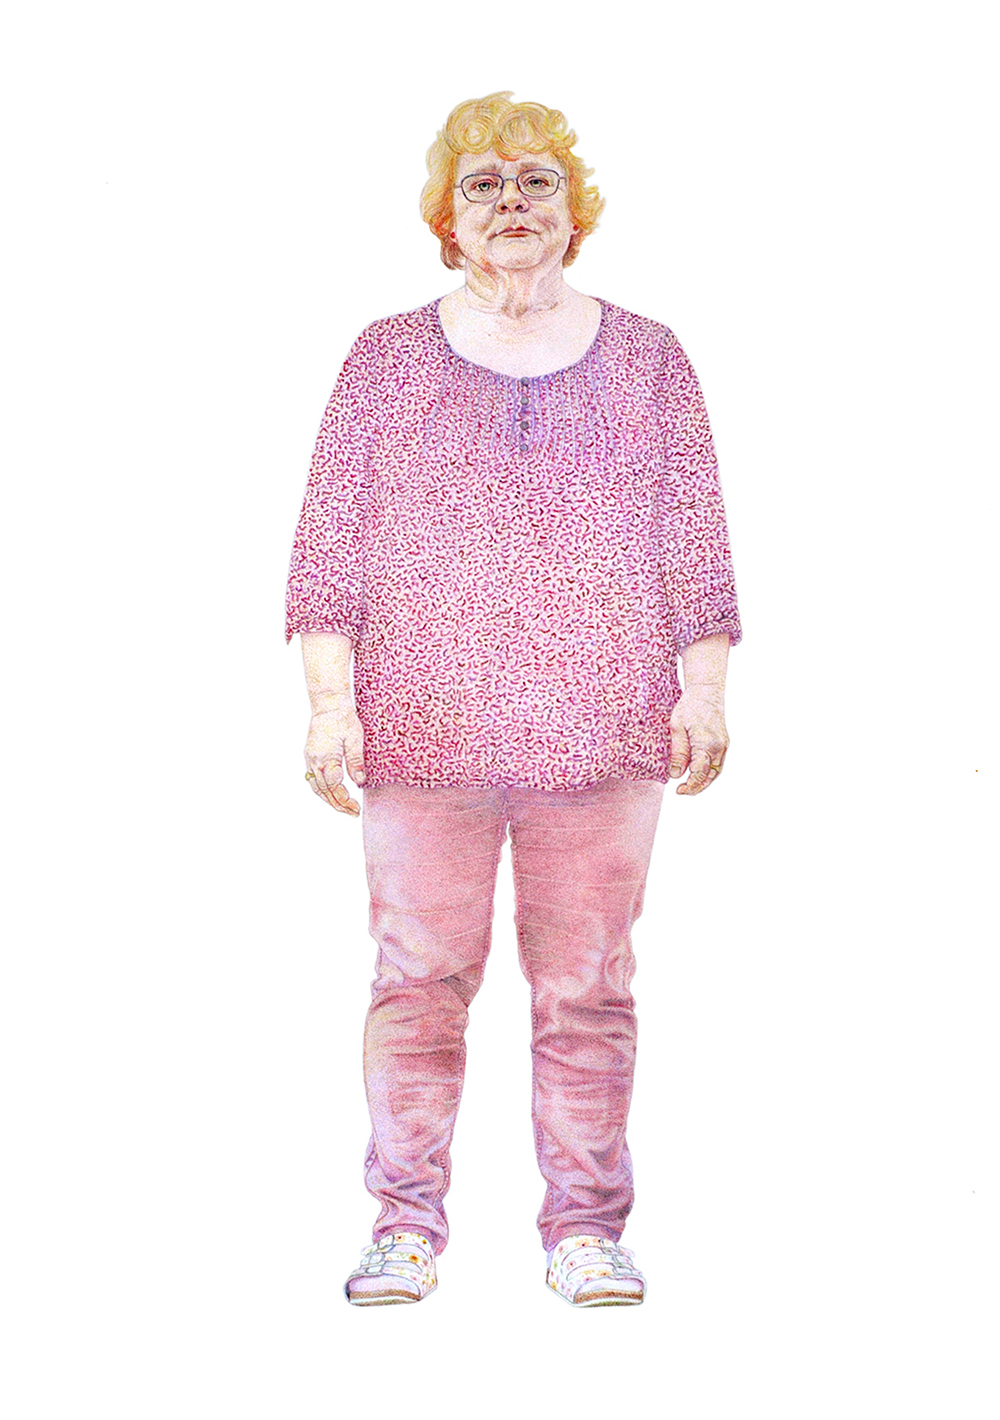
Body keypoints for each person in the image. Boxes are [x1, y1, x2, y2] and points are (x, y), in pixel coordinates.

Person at [285, 91, 742, 1308]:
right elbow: (327, 544)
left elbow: (694, 537)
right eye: (481, 184)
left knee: (588, 988)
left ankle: (584, 1229)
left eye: (536, 180)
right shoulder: (385, 358)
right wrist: (330, 703)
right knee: (415, 984)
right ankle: (403, 1224)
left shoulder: (650, 357)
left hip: (602, 729)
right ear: (447, 214)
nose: (510, 204)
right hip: (423, 727)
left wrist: (703, 688)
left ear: (573, 206)